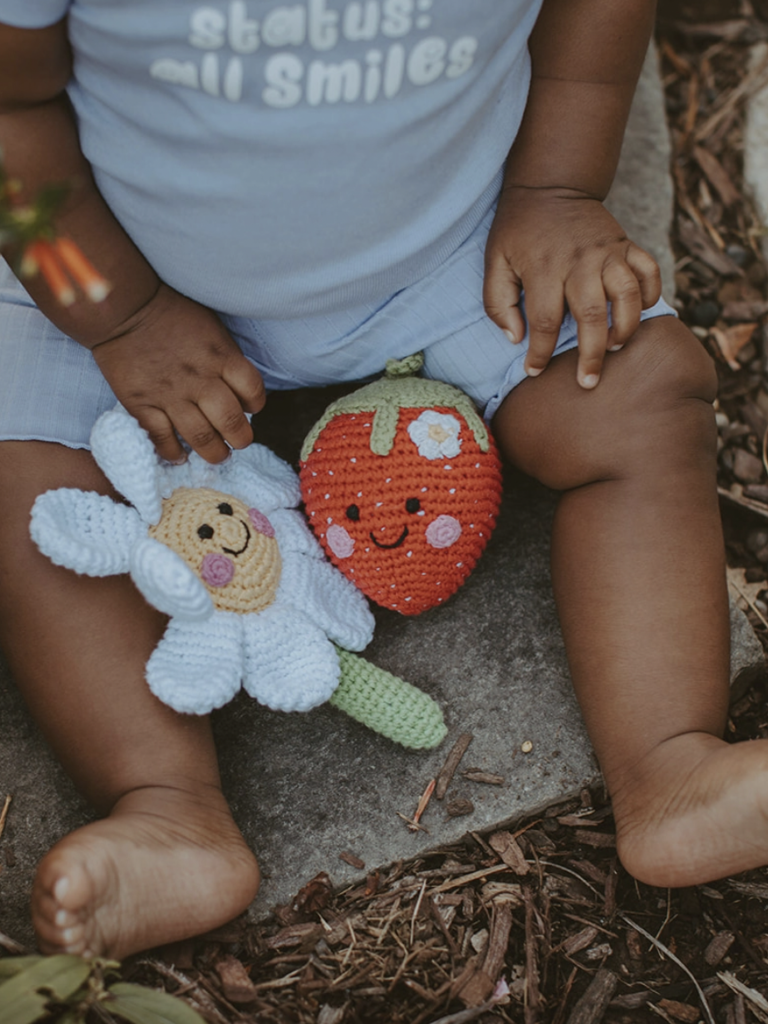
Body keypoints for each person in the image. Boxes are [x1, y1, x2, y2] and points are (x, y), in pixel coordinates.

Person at [0, 0, 762, 961]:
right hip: (113, 269)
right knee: (32, 490)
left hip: (453, 254)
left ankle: (673, 766)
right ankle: (163, 806)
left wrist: (558, 190)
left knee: (638, 392)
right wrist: (114, 315)